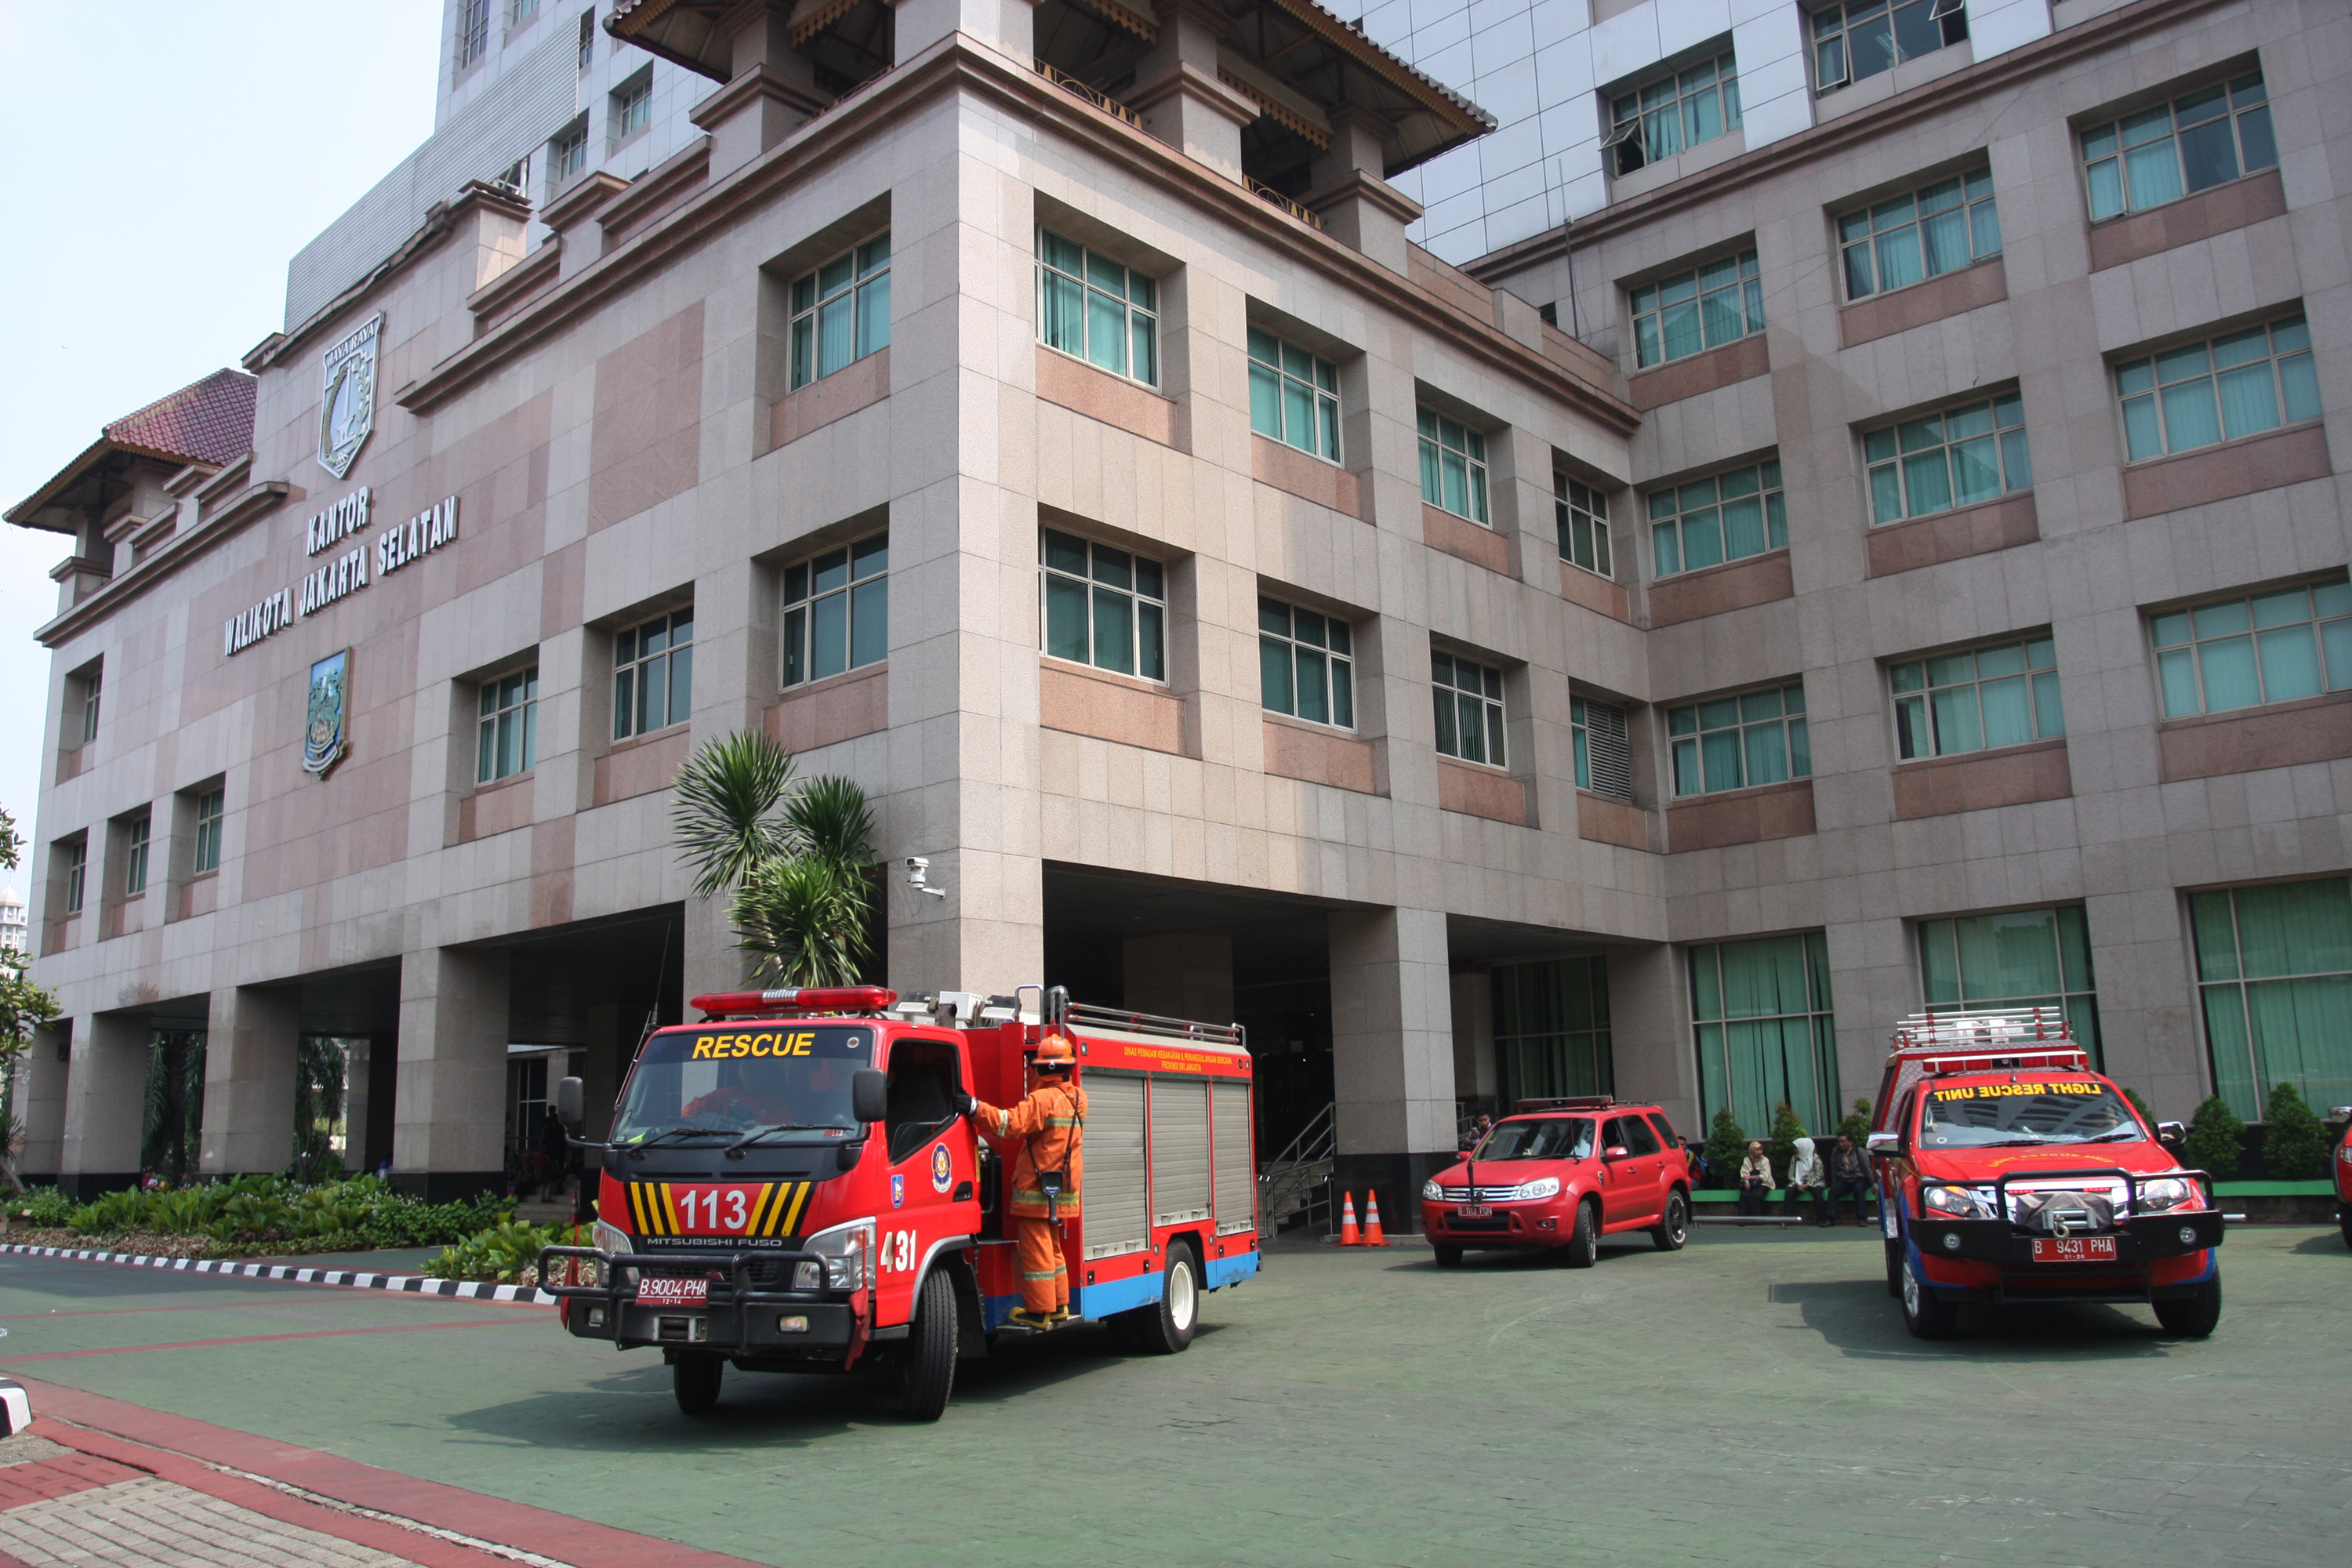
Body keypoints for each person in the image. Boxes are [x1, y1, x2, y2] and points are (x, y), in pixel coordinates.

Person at [957, 1030, 1087, 1330]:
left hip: (1037, 1188)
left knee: (1037, 1249)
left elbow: (1009, 1125)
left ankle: (1040, 1311)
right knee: (1053, 1246)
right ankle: (1059, 1305)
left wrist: (974, 1108)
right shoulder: (1079, 1098)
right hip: (1062, 1187)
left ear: (1042, 1068)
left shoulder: (1042, 1099)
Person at [1824, 1134, 1874, 1226]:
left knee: (1858, 1189)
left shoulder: (1859, 1151)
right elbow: (1834, 1168)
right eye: (1839, 1142)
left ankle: (1862, 1218)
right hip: (1844, 1179)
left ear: (1850, 1142)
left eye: (1843, 1142)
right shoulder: (1836, 1152)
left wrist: (1873, 1183)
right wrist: (1833, 1183)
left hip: (1859, 1177)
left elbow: (1867, 1169)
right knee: (1833, 1191)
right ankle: (1830, 1218)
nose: (1841, 1144)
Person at [1784, 1135, 1824, 1223]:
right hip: (1798, 1183)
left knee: (1817, 1192)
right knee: (1789, 1191)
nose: (1795, 1150)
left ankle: (1821, 1219)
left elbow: (1819, 1175)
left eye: (1796, 1148)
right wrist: (1797, 1183)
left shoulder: (1815, 1158)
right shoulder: (1794, 1159)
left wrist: (1808, 1184)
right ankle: (1788, 1219)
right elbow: (1791, 1174)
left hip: (1813, 1182)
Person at [1737, 1140, 1774, 1217]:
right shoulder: (1746, 1160)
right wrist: (1747, 1182)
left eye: (1761, 1150)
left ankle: (1759, 1217)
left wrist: (1751, 1177)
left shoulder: (1765, 1160)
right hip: (1751, 1184)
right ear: (1752, 1152)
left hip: (1764, 1183)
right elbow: (1744, 1173)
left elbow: (1765, 1176)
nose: (1760, 1152)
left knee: (1757, 1195)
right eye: (1757, 1150)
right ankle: (1743, 1219)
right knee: (1744, 1195)